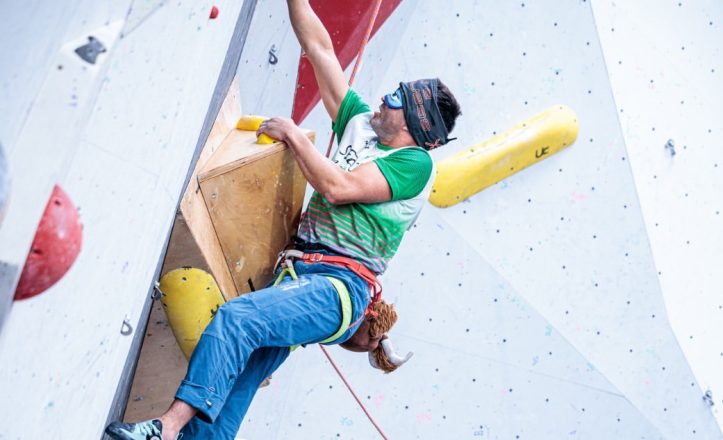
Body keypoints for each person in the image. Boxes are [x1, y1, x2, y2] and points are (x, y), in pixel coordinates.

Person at [105, 0, 461, 438]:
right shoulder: (363, 125)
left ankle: (165, 428)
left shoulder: (415, 163)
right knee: (237, 384)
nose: (384, 99)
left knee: (237, 320)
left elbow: (340, 188)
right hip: (298, 274)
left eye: (395, 99)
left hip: (337, 288)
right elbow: (320, 46)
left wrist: (294, 135)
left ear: (413, 126)